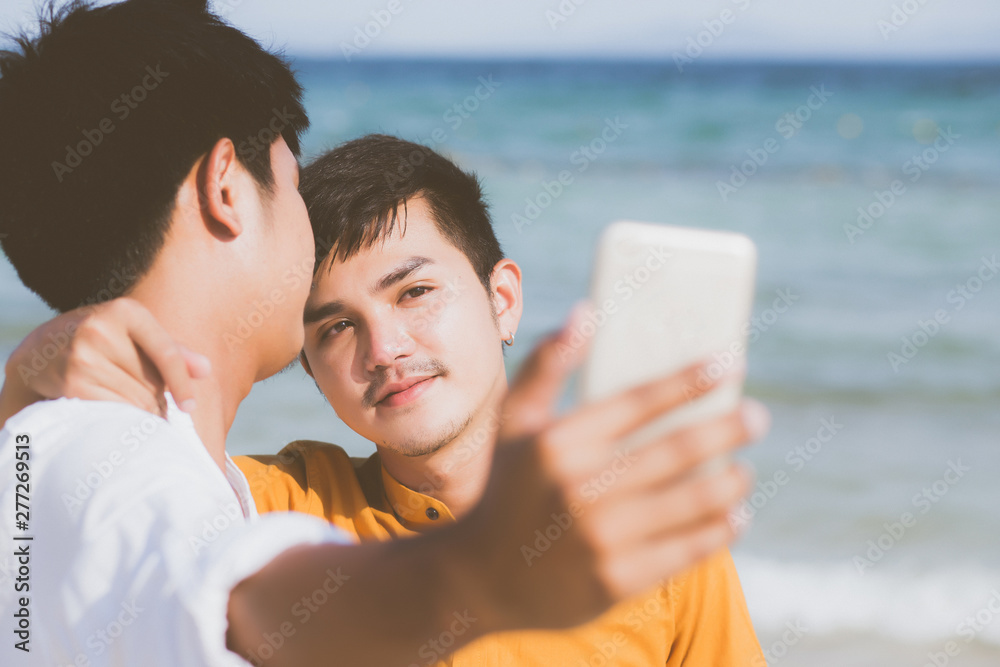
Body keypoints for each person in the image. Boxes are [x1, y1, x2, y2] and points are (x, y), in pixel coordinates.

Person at [0, 1, 766, 666]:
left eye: (417, 292)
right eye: (333, 323)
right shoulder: (247, 498)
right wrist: (480, 574)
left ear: (504, 299)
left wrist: (24, 386)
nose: (385, 347)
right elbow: (246, 603)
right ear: (226, 187)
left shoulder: (108, 462)